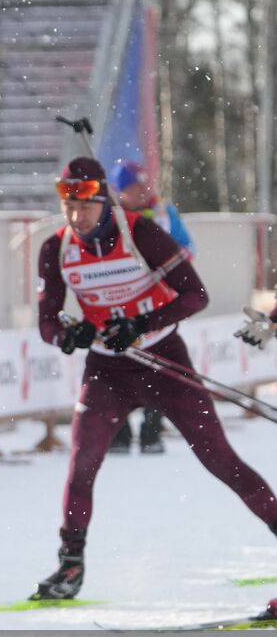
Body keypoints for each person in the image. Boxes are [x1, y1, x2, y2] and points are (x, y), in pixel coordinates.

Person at [32, 157, 277, 600]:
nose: (76, 216)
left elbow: (195, 295)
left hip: (163, 358)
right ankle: (70, 566)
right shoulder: (56, 248)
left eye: (84, 206)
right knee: (82, 462)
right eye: (68, 206)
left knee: (220, 459)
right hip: (108, 368)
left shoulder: (139, 232)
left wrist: (140, 325)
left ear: (103, 198)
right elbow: (47, 324)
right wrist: (74, 334)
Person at [106, 160, 195, 454]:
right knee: (116, 363)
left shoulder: (164, 213)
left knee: (160, 366)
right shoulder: (110, 216)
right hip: (119, 301)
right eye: (135, 187)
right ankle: (119, 432)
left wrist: (168, 262)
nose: (143, 191)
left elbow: (187, 247)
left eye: (145, 185)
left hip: (158, 302)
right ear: (120, 191)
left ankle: (151, 430)